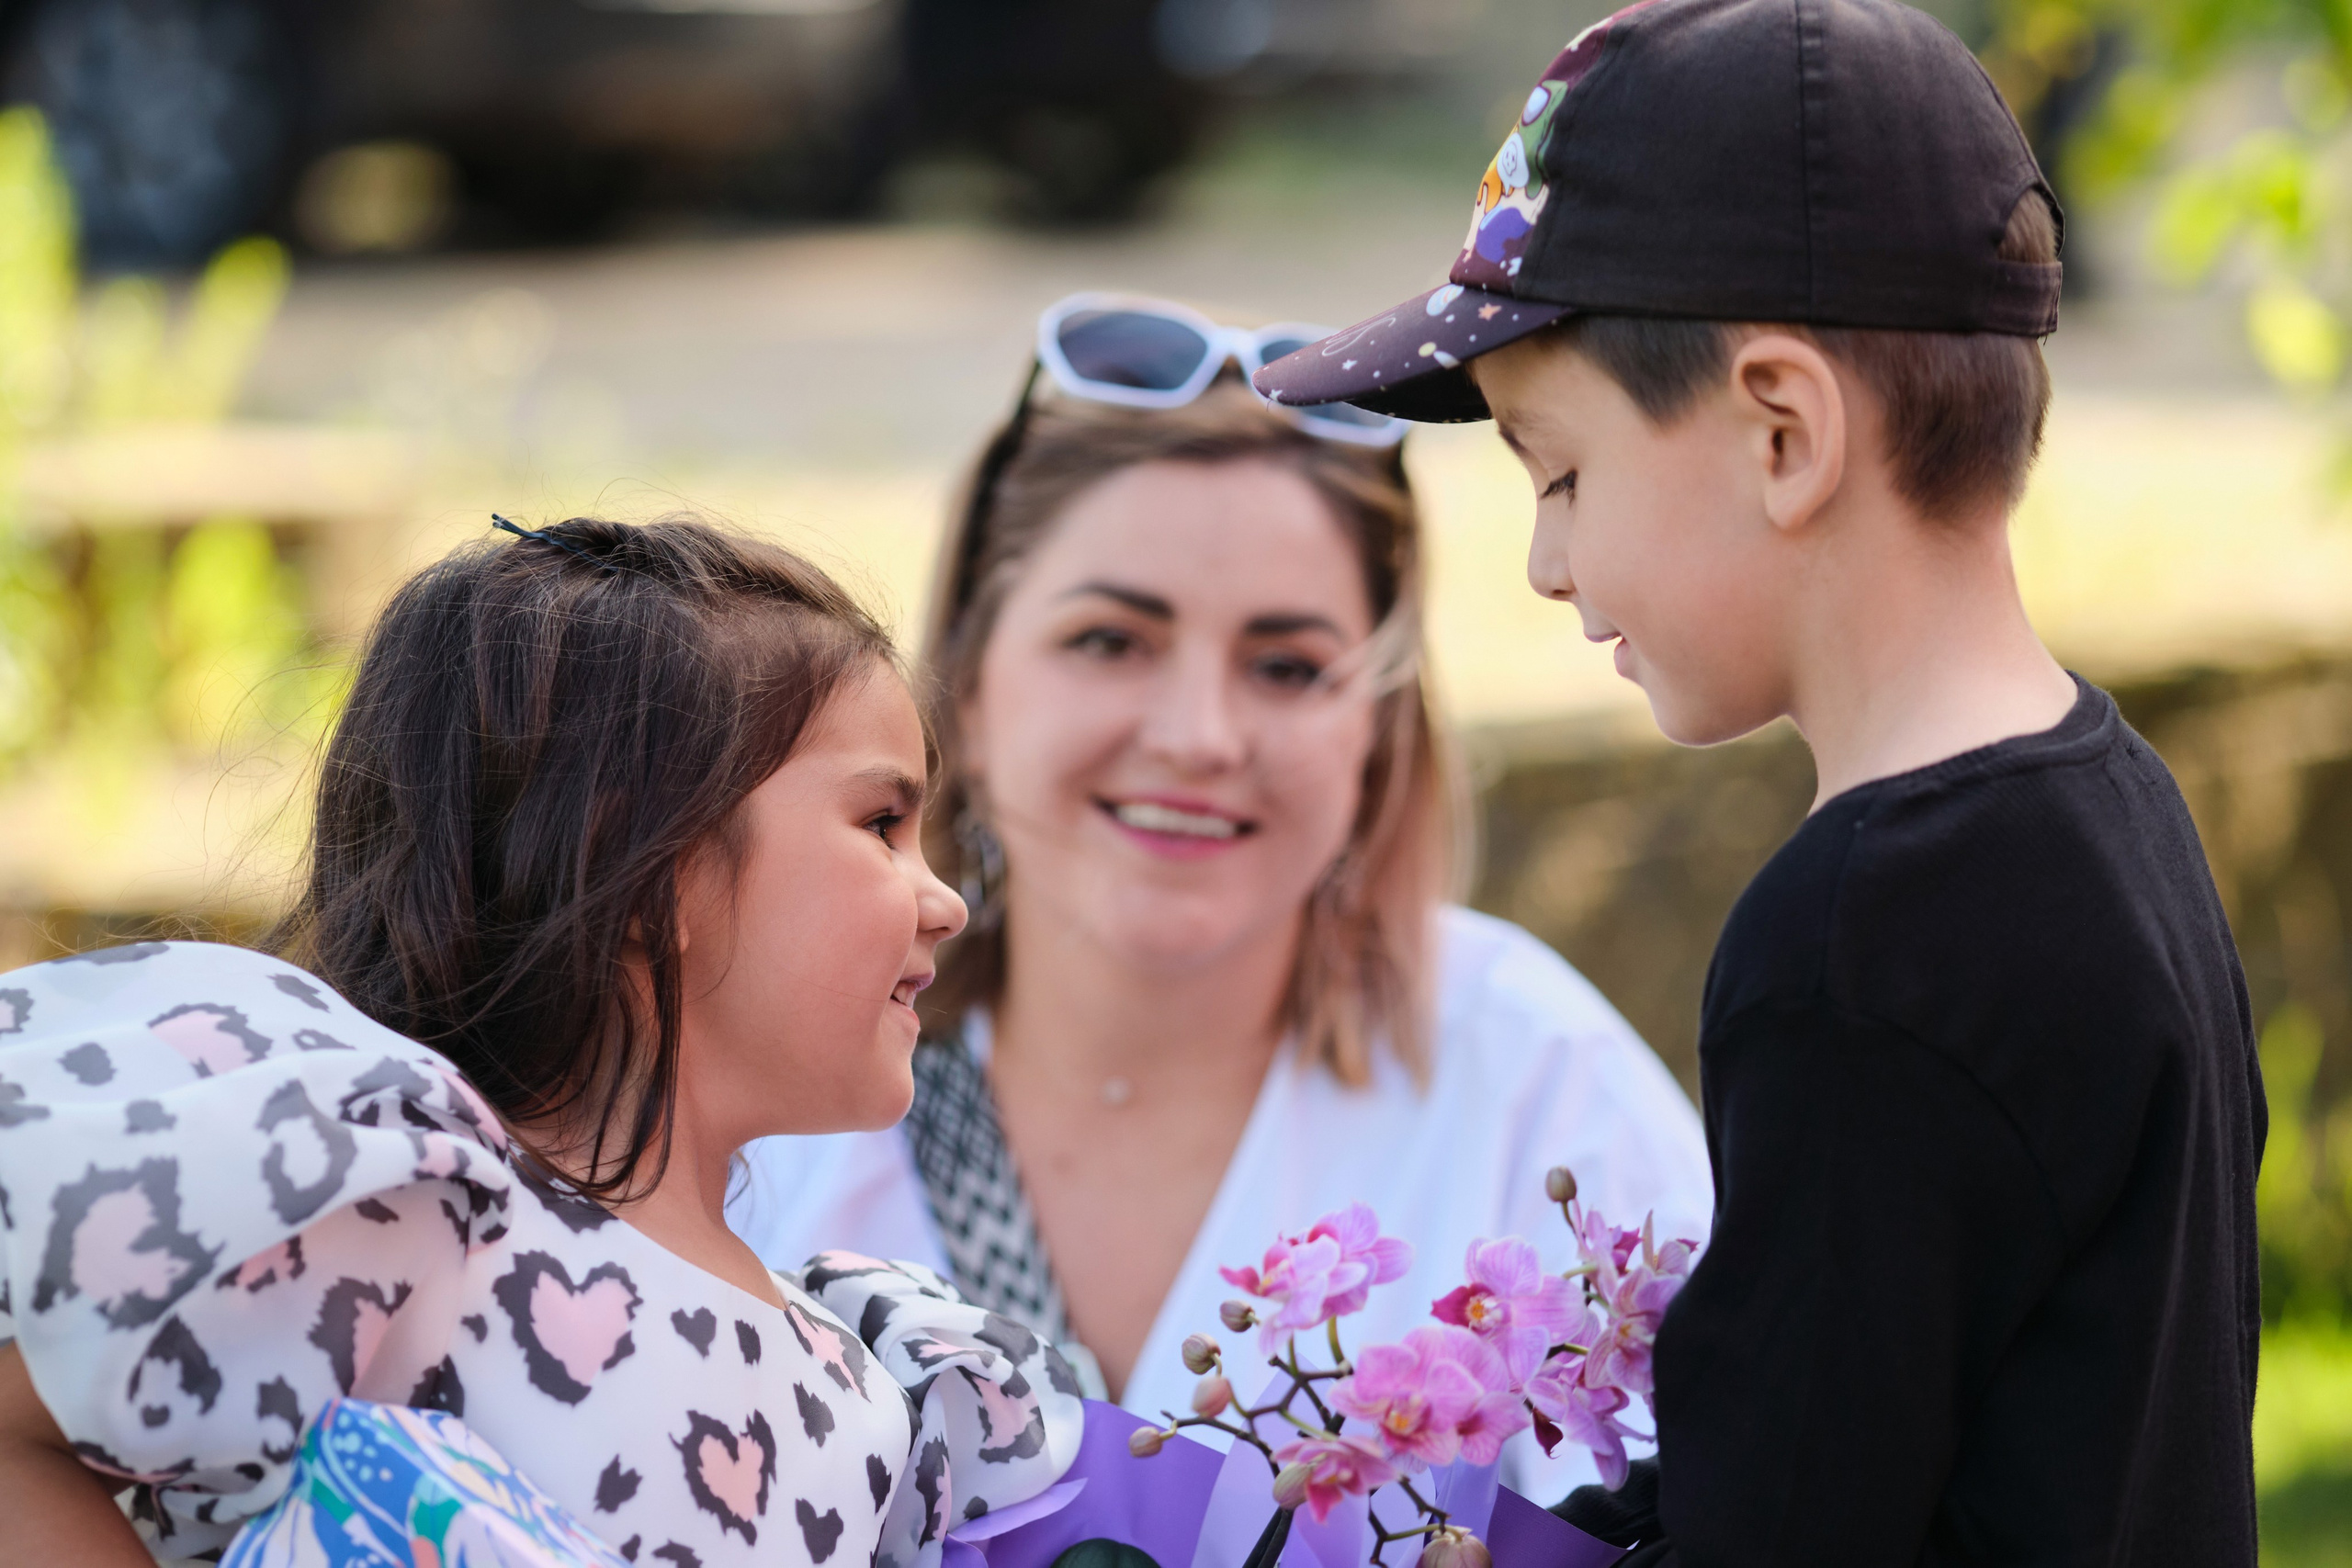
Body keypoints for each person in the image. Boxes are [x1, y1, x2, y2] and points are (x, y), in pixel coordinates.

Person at [1253, 0, 2265, 1562]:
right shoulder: (2112, 811)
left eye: (1562, 472)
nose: (1543, 562)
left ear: (1782, 430)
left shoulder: (1862, 936)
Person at [729, 294, 1713, 1500]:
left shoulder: (1537, 1090)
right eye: (1111, 640)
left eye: (1288, 665)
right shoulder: (767, 1102)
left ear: (1377, 728)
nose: (1199, 735)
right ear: (969, 686)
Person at [0, 517, 1082, 1567]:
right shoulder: (397, 1221)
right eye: (882, 824)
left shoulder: (871, 1383)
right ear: (644, 864)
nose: (941, 901)